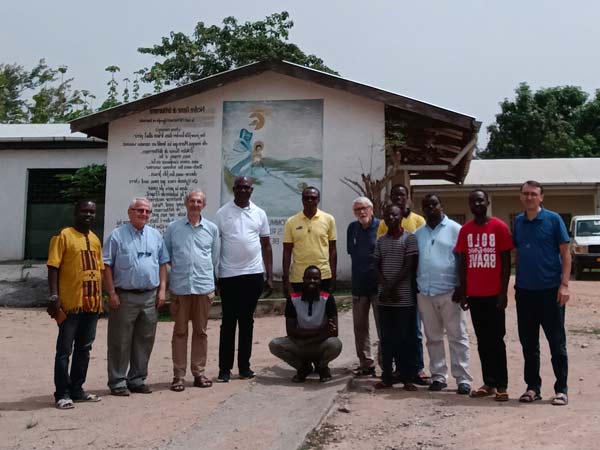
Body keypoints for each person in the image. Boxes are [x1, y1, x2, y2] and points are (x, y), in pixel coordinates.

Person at [103, 197, 169, 396]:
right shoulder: (117, 236)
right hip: (124, 297)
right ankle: (117, 381)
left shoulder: (155, 235)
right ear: (130, 212)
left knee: (145, 339)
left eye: (147, 211)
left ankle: (137, 379)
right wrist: (111, 293)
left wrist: (163, 290)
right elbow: (106, 265)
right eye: (139, 210)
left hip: (149, 296)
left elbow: (163, 263)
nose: (144, 214)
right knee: (120, 340)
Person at [513, 180, 571, 406]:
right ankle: (532, 387)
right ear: (521, 197)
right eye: (526, 194)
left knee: (557, 342)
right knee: (529, 344)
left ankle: (561, 389)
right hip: (525, 292)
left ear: (541, 197)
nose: (529, 197)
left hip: (550, 292)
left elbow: (566, 254)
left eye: (534, 194)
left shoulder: (554, 220)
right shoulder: (518, 222)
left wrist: (564, 285)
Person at [455, 189, 513, 401]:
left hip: (494, 295)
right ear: (469, 205)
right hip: (475, 295)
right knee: (482, 339)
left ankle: (502, 385)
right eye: (473, 201)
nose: (477, 203)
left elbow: (506, 262)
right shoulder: (465, 230)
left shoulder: (499, 227)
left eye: (480, 200)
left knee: (497, 339)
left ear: (487, 202)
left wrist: (503, 292)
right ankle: (488, 382)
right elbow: (462, 263)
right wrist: (463, 292)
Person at [214, 177, 273, 382]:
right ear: (233, 189)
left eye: (246, 187)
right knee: (228, 322)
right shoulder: (222, 214)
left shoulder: (259, 213)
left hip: (253, 274)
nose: (242, 190)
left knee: (247, 321)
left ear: (251, 190)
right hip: (229, 275)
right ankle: (224, 369)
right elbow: (216, 246)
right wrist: (216, 274)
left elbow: (266, 245)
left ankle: (244, 367)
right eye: (239, 187)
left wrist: (269, 275)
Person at [47, 200, 104, 409]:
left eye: (92, 211)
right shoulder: (63, 236)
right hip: (70, 304)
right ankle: (61, 393)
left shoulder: (95, 239)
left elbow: (99, 270)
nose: (88, 215)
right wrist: (54, 295)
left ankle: (77, 389)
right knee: (64, 350)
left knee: (84, 348)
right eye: (84, 211)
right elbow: (53, 267)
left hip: (91, 304)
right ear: (76, 213)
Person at [414, 194, 472, 394]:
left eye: (434, 204)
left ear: (441, 206)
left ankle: (463, 378)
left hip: (450, 292)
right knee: (433, 337)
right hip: (425, 292)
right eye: (426, 205)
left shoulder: (456, 230)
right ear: (422, 209)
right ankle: (438, 376)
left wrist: (462, 288)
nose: (431, 208)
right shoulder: (418, 233)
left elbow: (464, 260)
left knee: (458, 336)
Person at [164, 190, 219, 391]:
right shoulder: (173, 228)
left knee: (201, 332)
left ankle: (199, 373)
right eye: (192, 201)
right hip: (180, 287)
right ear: (186, 203)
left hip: (204, 287)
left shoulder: (211, 229)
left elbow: (214, 257)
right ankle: (178, 376)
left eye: (199, 201)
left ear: (203, 205)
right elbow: (168, 255)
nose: (195, 204)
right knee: (179, 332)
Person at [377, 183, 429, 385]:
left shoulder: (418, 221)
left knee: (413, 333)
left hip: (409, 287)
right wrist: (386, 287)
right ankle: (394, 372)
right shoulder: (382, 230)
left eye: (402, 194)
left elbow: (413, 261)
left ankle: (416, 370)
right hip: (387, 292)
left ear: (408, 197)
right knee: (390, 335)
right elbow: (378, 259)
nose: (399, 197)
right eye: (395, 195)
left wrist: (395, 285)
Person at [269, 266, 342, 383]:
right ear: (303, 280)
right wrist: (320, 332)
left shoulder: (328, 299)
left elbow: (334, 331)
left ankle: (322, 367)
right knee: (275, 345)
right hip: (300, 344)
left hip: (319, 344)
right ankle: (303, 368)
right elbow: (290, 331)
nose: (312, 281)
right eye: (308, 278)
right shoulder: (293, 299)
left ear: (320, 281)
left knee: (335, 344)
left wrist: (306, 335)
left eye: (315, 278)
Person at [373, 204, 419, 390]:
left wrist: (391, 286)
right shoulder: (380, 241)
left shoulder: (410, 239)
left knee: (405, 339)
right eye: (387, 215)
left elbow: (410, 266)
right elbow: (375, 265)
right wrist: (385, 285)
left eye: (395, 215)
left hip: (404, 298)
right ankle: (387, 377)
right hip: (385, 297)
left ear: (401, 218)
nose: (391, 218)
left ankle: (407, 377)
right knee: (386, 339)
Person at [282, 186, 337, 298]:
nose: (310, 200)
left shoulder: (329, 219)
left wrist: (333, 275)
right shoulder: (291, 222)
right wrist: (286, 278)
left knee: (323, 312)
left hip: (323, 276)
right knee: (297, 312)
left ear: (318, 200)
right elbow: (287, 252)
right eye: (306, 198)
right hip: (298, 276)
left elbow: (333, 250)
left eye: (313, 198)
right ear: (302, 200)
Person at [346, 196, 379, 377]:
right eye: (357, 210)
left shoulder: (381, 226)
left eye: (364, 208)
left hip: (378, 285)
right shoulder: (352, 228)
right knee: (360, 327)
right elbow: (353, 252)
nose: (361, 212)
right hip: (359, 285)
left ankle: (387, 363)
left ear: (371, 209)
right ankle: (366, 363)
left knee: (383, 326)